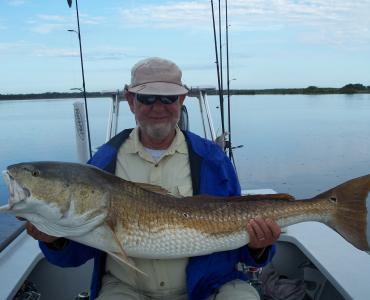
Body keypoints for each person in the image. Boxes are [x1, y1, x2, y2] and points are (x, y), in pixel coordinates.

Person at [24, 57, 281, 300]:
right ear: (130, 100)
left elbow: (237, 231)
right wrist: (55, 239)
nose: (158, 107)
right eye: (147, 98)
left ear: (181, 99)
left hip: (211, 285)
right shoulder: (104, 162)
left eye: (168, 98)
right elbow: (78, 252)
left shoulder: (213, 159)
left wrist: (258, 246)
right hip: (126, 288)